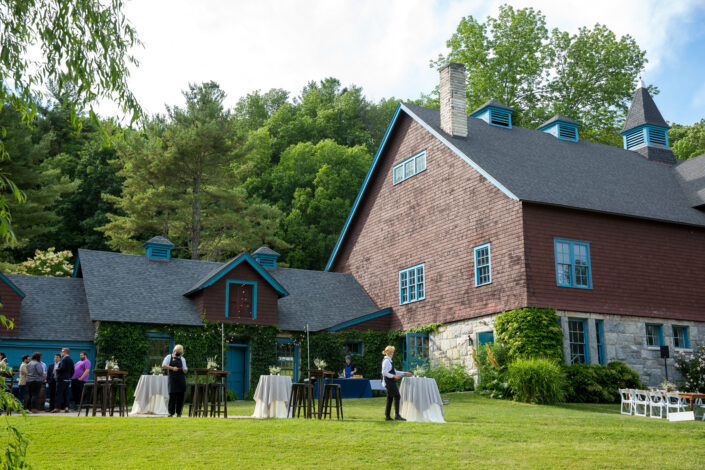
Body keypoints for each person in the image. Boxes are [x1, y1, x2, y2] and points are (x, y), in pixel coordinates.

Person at [381, 346, 411, 421]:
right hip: (389, 382)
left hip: (390, 381)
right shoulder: (386, 361)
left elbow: (394, 371)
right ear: (389, 352)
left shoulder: (389, 360)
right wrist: (394, 376)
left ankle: (387, 416)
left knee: (390, 398)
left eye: (393, 351)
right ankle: (397, 416)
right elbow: (384, 372)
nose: (393, 353)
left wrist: (404, 373)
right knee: (397, 396)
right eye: (392, 352)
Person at [162, 344, 188, 417]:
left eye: (181, 351)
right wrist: (172, 368)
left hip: (181, 379)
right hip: (172, 379)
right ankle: (171, 412)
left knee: (181, 396)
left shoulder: (182, 359)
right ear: (175, 351)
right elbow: (163, 365)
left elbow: (185, 368)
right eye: (179, 351)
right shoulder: (168, 357)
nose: (180, 352)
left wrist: (185, 370)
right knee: (172, 395)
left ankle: (179, 413)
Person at [53, 348, 74, 413]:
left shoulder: (64, 359)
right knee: (66, 394)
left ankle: (57, 408)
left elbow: (62, 368)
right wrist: (69, 377)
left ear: (65, 352)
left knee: (58, 394)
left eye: (62, 352)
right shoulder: (71, 360)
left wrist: (56, 369)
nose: (61, 353)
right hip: (67, 379)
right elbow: (73, 370)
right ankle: (66, 407)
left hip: (61, 379)